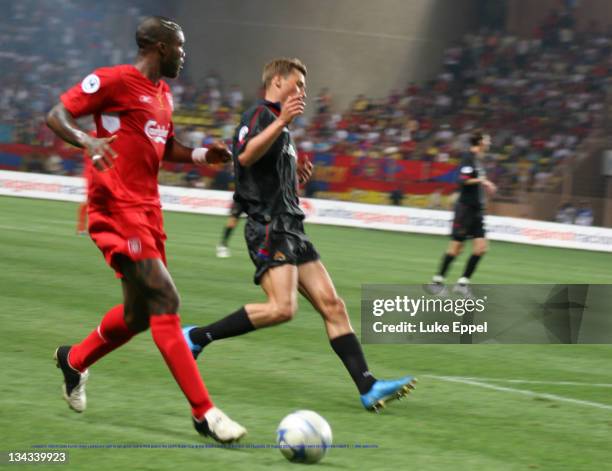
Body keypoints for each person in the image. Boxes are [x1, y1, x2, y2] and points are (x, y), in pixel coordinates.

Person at [45, 16, 246, 443]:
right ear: (157, 46)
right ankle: (203, 413)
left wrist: (198, 156)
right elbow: (57, 114)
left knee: (138, 316)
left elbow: (163, 144)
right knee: (165, 297)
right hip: (115, 208)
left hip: (148, 211)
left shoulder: (163, 94)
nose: (184, 54)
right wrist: (88, 141)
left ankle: (74, 360)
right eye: (179, 46)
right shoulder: (112, 81)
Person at [183, 58, 416, 412]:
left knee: (333, 306)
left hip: (292, 227)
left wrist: (295, 179)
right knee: (282, 309)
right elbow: (244, 158)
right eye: (300, 84)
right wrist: (280, 121)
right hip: (268, 228)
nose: (304, 92)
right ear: (278, 81)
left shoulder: (282, 128)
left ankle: (367, 386)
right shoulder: (261, 115)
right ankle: (197, 337)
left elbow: (268, 177)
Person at [426, 131, 497, 296]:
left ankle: (462, 283)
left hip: (477, 211)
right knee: (456, 248)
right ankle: (436, 282)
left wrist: (483, 188)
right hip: (465, 210)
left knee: (481, 248)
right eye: (487, 139)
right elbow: (462, 180)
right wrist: (482, 181)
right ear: (479, 142)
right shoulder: (468, 158)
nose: (489, 142)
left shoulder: (478, 162)